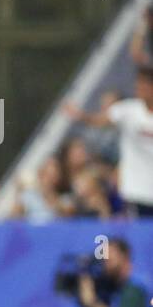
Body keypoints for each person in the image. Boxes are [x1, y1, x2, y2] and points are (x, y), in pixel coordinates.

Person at [64, 67, 153, 217]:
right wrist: (81, 116)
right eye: (138, 85)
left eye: (144, 85)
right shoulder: (128, 110)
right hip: (137, 189)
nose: (140, 89)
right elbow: (101, 119)